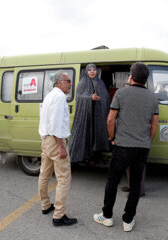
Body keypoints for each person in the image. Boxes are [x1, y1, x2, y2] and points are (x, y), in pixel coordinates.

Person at [93, 62, 159, 232]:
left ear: (131, 76)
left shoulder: (121, 93)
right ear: (145, 79)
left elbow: (110, 119)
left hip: (122, 145)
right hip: (142, 147)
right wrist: (146, 141)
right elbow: (154, 125)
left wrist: (112, 138)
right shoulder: (152, 97)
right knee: (136, 184)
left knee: (112, 181)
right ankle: (128, 220)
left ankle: (106, 216)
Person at [38, 70, 77, 227]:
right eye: (68, 81)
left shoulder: (49, 95)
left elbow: (45, 120)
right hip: (56, 141)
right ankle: (59, 215)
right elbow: (55, 125)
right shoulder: (60, 97)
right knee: (64, 178)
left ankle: (45, 205)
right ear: (59, 82)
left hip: (46, 140)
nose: (70, 84)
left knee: (44, 175)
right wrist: (61, 147)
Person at [68, 63, 110, 165]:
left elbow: (106, 97)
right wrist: (90, 98)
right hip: (86, 116)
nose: (92, 72)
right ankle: (86, 157)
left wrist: (100, 100)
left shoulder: (100, 83)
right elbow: (79, 98)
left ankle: (96, 157)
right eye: (90, 70)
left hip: (98, 116)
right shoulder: (82, 83)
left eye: (94, 70)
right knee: (86, 136)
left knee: (97, 136)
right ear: (86, 72)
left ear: (97, 71)